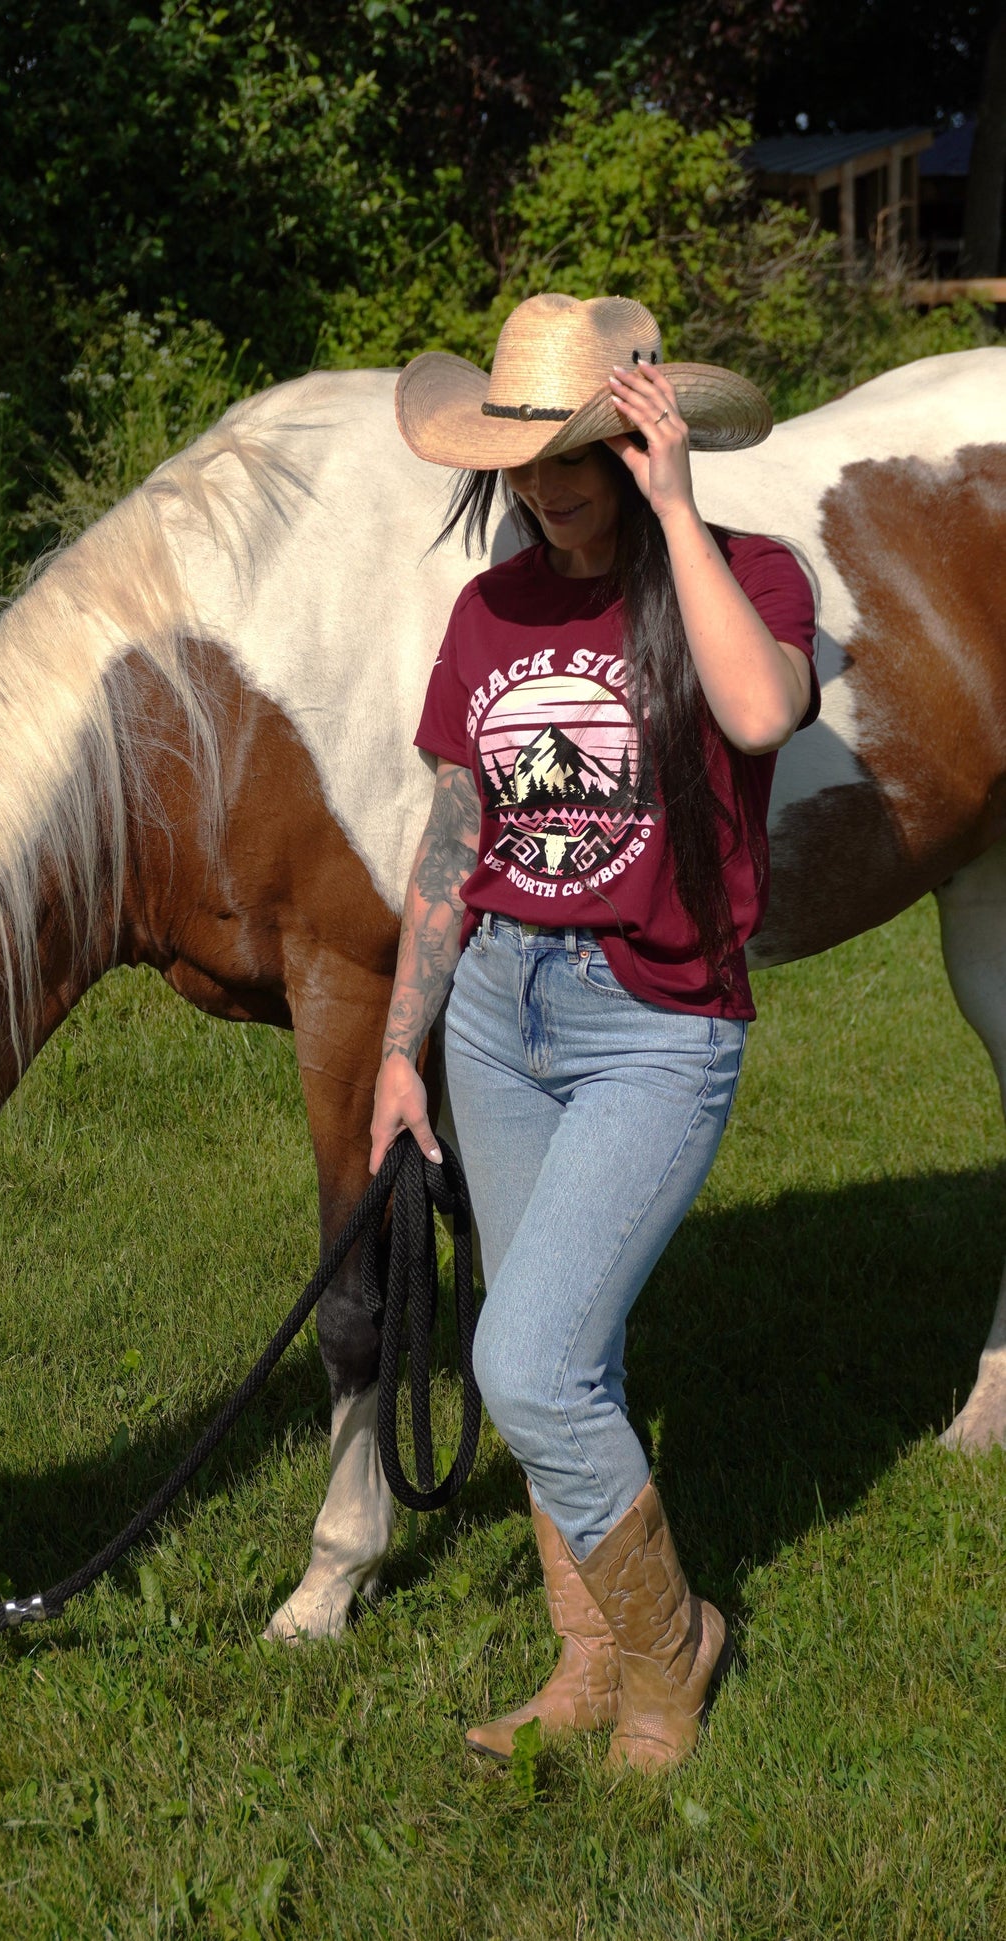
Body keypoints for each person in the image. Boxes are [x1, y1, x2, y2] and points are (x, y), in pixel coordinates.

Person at [372, 293, 818, 1774]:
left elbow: (757, 715)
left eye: (582, 456)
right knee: (578, 1352)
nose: (551, 490)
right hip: (499, 1006)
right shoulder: (486, 610)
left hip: (654, 1024)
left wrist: (676, 512)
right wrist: (399, 1045)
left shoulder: (746, 573)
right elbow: (456, 828)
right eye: (527, 463)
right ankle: (587, 1659)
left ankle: (672, 1650)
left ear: (640, 436)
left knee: (528, 1361)